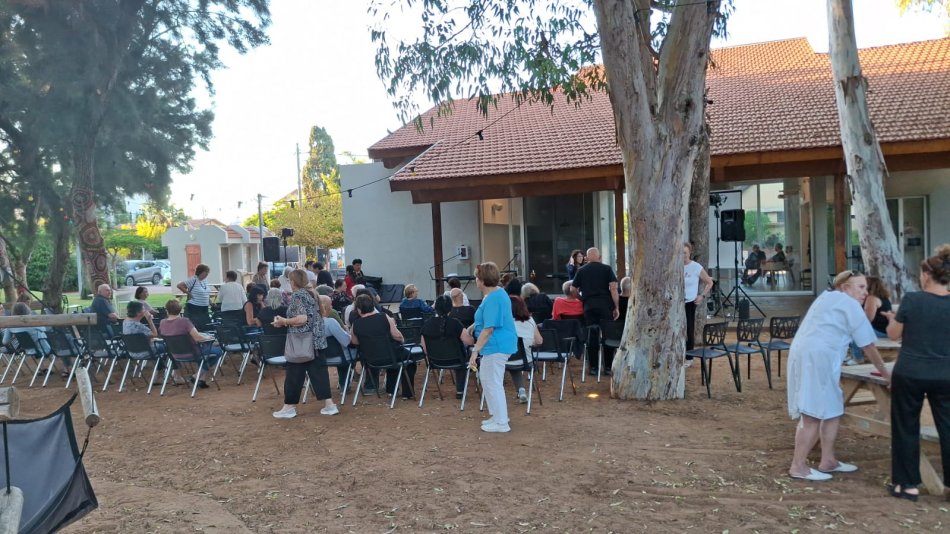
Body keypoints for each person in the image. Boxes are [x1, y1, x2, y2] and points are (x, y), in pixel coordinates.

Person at [786, 271, 890, 481]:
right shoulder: (849, 303)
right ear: (845, 287)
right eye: (860, 287)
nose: (865, 292)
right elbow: (868, 345)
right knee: (812, 413)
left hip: (813, 355)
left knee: (833, 408)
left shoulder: (827, 297)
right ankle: (798, 466)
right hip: (817, 358)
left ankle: (828, 460)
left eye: (866, 287)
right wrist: (886, 374)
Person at [882, 245, 950, 501]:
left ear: (927, 275)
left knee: (905, 426)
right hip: (945, 372)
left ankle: (907, 484)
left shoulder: (912, 300)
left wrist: (892, 319)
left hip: (910, 371)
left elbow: (893, 335)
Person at [271, 269, 338, 418]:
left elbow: (302, 319)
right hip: (316, 342)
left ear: (293, 282)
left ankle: (289, 407)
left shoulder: (298, 296)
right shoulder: (312, 294)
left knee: (293, 375)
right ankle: (329, 405)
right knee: (319, 374)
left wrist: (284, 321)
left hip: (302, 342)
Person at [463, 262, 517, 433]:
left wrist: (475, 351)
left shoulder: (493, 298)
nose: (475, 280)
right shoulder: (496, 294)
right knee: (488, 380)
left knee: (492, 382)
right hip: (495, 345)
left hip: (496, 345)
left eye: (476, 277)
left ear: (481, 280)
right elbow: (488, 320)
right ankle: (497, 416)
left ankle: (502, 422)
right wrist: (474, 325)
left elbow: (488, 329)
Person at [351, 293, 416, 399]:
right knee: (409, 358)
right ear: (372, 305)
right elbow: (396, 336)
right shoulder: (383, 317)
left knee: (393, 356)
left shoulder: (355, 324)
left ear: (358, 309)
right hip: (390, 356)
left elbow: (355, 341)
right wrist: (402, 340)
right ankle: (407, 393)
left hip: (371, 360)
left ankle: (391, 390)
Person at [571, 247, 619, 375]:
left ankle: (593, 368)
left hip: (589, 307)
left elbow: (572, 289)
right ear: (600, 257)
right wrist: (616, 307)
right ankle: (608, 367)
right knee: (608, 336)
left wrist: (582, 299)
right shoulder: (607, 269)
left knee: (592, 336)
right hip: (605, 306)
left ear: (587, 258)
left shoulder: (581, 270)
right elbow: (613, 288)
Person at [158, 299, 222, 388]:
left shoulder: (162, 322)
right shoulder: (184, 321)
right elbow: (198, 337)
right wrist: (209, 338)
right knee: (218, 351)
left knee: (204, 353)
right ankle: (197, 375)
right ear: (180, 309)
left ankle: (201, 380)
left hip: (175, 354)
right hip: (192, 353)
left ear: (167, 310)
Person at [421, 296, 469, 399]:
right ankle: (460, 391)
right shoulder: (455, 323)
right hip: (457, 360)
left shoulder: (427, 324)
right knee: (465, 356)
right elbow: (468, 341)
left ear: (435, 308)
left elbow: (424, 348)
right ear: (450, 308)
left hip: (435, 361)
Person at [846, 275, 892, 365]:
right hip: (884, 329)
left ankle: (858, 358)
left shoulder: (872, 298)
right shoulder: (883, 297)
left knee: (856, 332)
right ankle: (852, 355)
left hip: (880, 330)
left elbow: (867, 320)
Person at [683, 243, 714, 367]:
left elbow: (709, 282)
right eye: (680, 253)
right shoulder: (675, 265)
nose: (683, 255)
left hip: (689, 302)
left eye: (685, 252)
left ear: (690, 253)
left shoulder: (696, 267)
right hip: (676, 303)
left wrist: (702, 296)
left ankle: (689, 357)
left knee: (689, 329)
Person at [510, 295, 542, 404]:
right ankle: (521, 390)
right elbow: (539, 341)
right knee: (516, 362)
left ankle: (521, 389)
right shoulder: (530, 320)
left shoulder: (503, 322)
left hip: (504, 360)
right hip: (525, 360)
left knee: (512, 361)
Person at [319, 295, 353, 392]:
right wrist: (350, 334)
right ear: (325, 307)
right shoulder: (330, 322)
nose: (332, 307)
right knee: (346, 355)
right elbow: (346, 341)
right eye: (330, 304)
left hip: (318, 358)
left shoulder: (309, 323)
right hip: (337, 357)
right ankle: (344, 385)